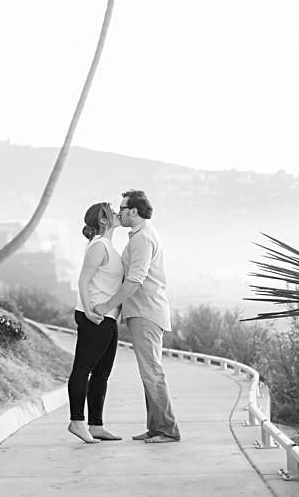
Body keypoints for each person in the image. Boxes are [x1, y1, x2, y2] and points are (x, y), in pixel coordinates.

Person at [94, 190, 180, 443]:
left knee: (152, 372)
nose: (118, 213)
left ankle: (167, 430)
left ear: (134, 211)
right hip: (142, 312)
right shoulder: (140, 235)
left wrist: (108, 305)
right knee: (148, 372)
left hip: (146, 312)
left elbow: (135, 279)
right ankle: (155, 427)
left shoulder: (142, 238)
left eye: (122, 208)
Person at [67, 202, 124, 444]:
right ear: (103, 220)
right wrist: (89, 312)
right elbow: (83, 281)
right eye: (112, 211)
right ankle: (77, 422)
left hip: (107, 317)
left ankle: (96, 424)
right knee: (83, 369)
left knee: (102, 374)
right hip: (95, 317)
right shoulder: (99, 246)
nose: (116, 213)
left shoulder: (109, 246)